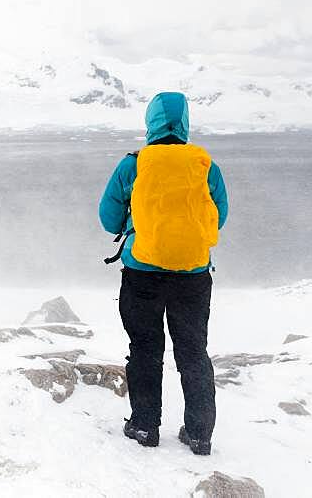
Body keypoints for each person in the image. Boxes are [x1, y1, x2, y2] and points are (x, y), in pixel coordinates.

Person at [98, 91, 229, 455]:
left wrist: (136, 223)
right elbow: (219, 216)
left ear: (150, 122)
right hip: (193, 275)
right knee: (193, 353)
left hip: (142, 273)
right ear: (185, 122)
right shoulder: (206, 166)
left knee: (144, 348)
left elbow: (108, 217)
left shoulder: (133, 165)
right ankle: (199, 434)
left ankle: (144, 426)